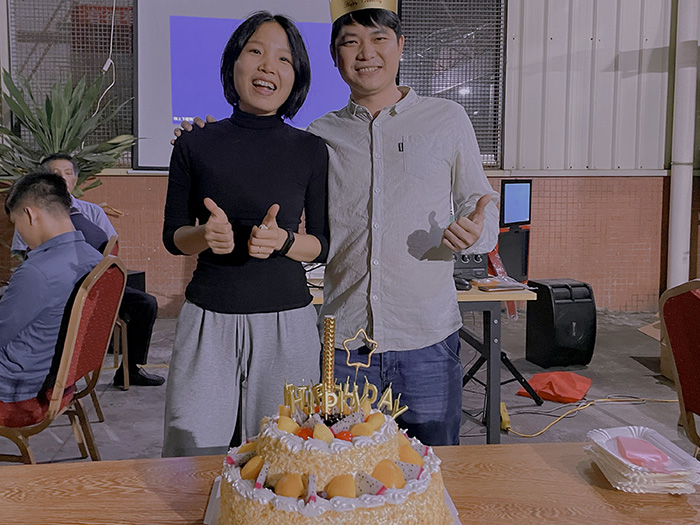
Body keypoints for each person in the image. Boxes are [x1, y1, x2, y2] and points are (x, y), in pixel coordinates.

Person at [177, 3, 498, 446]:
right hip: (345, 345)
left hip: (426, 337)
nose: (366, 53)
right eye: (351, 42)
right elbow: (260, 162)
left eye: (379, 39)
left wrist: (475, 233)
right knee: (338, 468)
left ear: (401, 46)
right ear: (334, 57)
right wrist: (211, 138)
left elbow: (480, 204)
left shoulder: (447, 119)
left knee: (431, 466)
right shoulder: (318, 137)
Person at [162, 11, 329, 457]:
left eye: (284, 59)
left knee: (286, 459)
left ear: (296, 77)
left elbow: (323, 244)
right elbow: (173, 236)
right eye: (255, 51)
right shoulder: (194, 143)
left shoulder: (311, 149)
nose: (267, 66)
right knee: (192, 453)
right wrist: (204, 235)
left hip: (288, 326)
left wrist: (284, 242)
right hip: (208, 320)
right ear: (233, 63)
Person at [11, 154, 164, 388]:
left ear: (76, 178)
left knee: (145, 303)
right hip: (57, 288)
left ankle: (130, 370)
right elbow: (23, 254)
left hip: (94, 284)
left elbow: (110, 250)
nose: (63, 178)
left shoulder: (91, 212)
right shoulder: (30, 214)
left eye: (68, 173)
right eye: (56, 174)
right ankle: (52, 377)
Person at [0, 172, 102, 404]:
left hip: (18, 388)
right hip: (60, 379)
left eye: (16, 224)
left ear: (30, 214)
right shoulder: (94, 258)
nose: (20, 233)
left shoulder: (37, 272)